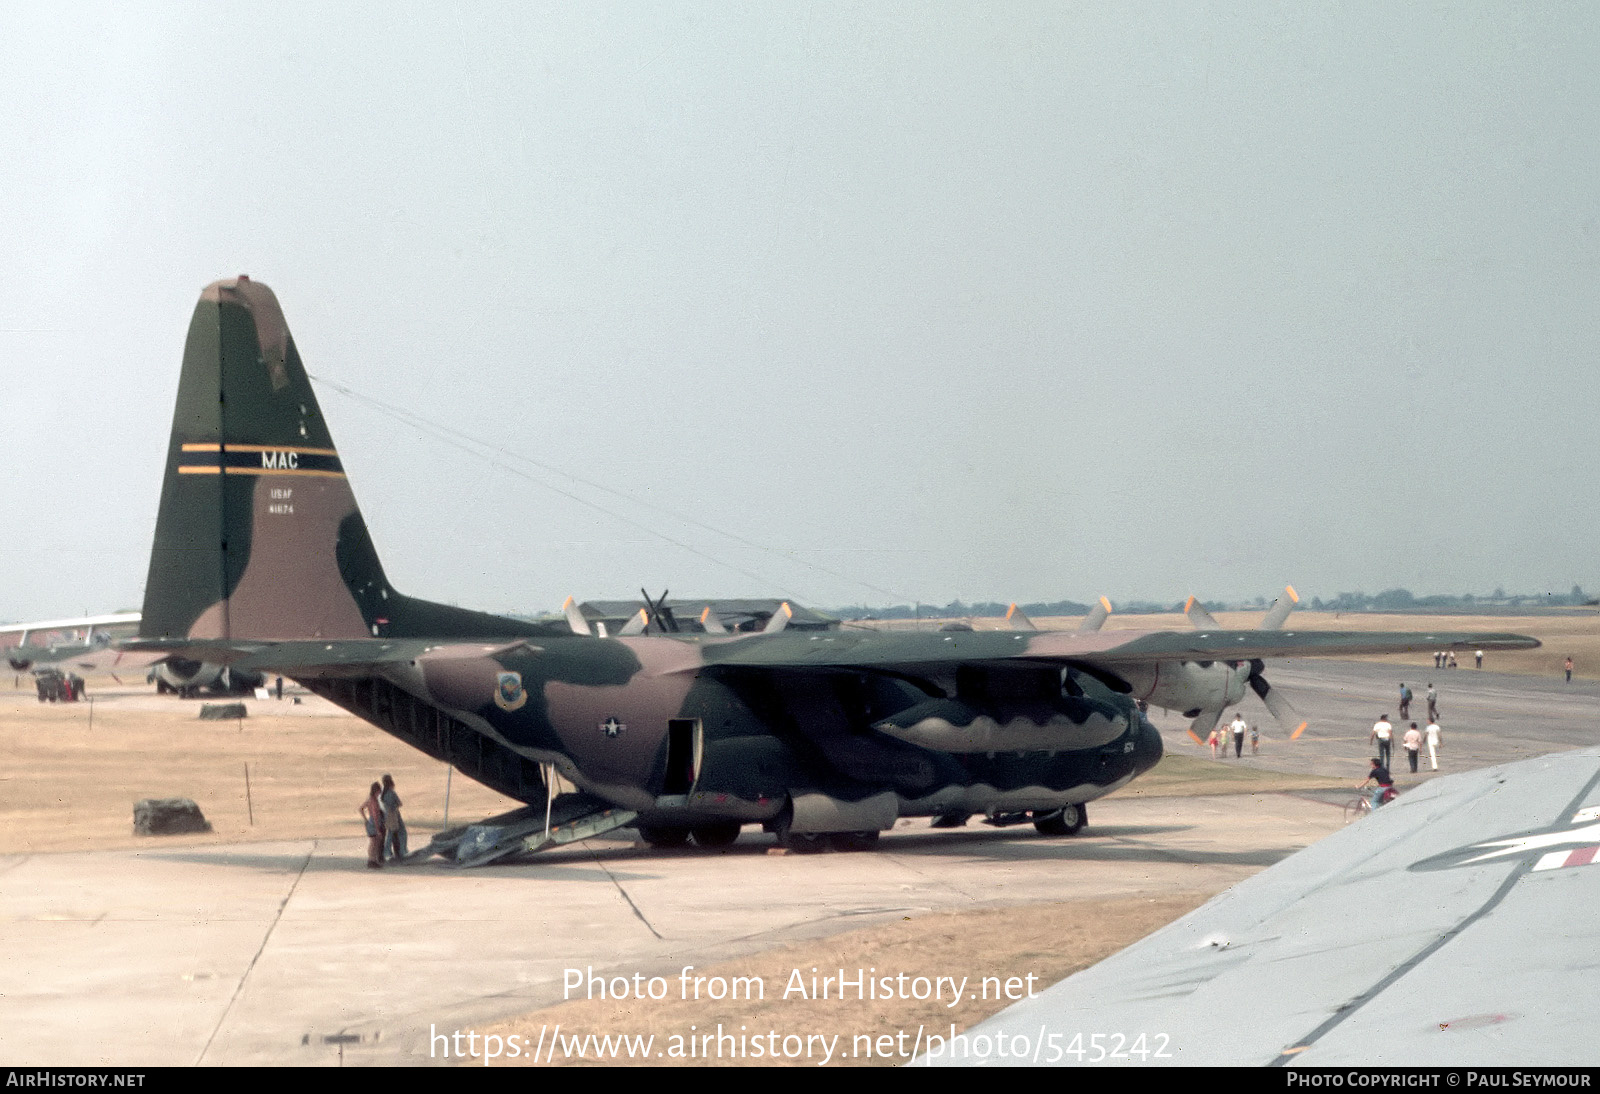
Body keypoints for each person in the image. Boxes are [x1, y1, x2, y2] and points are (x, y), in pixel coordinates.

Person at [380, 773, 407, 861]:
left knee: (390, 833)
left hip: (387, 815)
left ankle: (387, 851)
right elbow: (399, 803)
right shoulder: (391, 792)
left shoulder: (383, 794)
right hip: (395, 815)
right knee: (402, 832)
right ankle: (403, 850)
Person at [360, 782, 384, 869]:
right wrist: (378, 829)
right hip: (374, 823)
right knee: (374, 843)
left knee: (373, 842)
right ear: (376, 791)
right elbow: (375, 816)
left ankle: (372, 860)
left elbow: (361, 808)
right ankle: (372, 860)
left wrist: (365, 819)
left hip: (370, 822)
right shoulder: (374, 801)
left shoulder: (369, 799)